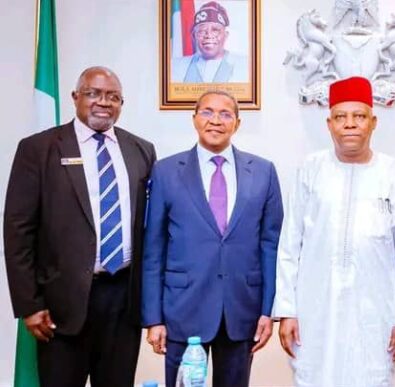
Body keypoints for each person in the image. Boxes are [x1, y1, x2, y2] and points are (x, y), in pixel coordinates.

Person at [3, 66, 156, 386]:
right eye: (94, 93)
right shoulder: (39, 149)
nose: (104, 102)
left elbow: (150, 227)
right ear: (75, 97)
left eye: (113, 96)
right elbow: (18, 230)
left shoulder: (141, 150)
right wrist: (29, 305)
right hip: (61, 304)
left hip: (123, 300)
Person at [273, 76, 395, 387]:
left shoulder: (393, 173)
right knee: (314, 377)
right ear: (329, 124)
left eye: (359, 116)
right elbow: (290, 246)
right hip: (315, 309)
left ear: (373, 122)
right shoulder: (310, 170)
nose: (350, 124)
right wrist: (287, 310)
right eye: (341, 117)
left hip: (374, 311)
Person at [141, 90, 283, 387]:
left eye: (225, 114)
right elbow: (154, 248)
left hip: (241, 309)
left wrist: (268, 310)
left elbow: (271, 246)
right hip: (182, 308)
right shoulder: (166, 171)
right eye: (207, 112)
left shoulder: (263, 172)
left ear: (237, 123)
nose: (215, 121)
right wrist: (154, 318)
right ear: (194, 118)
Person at [171, 1, 249, 83]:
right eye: (202, 31)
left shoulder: (246, 65)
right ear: (194, 36)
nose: (208, 35)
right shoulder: (175, 67)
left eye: (215, 30)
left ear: (225, 35)